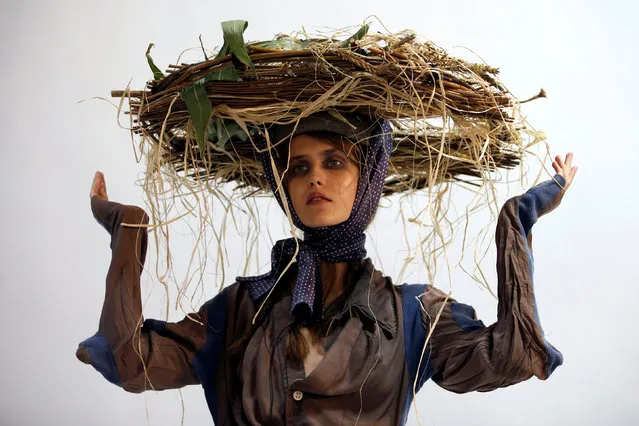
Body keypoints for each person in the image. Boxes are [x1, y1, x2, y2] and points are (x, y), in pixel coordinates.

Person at [77, 115, 578, 425]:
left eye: (334, 161)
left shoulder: (413, 317)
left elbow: (513, 356)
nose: (315, 175)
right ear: (285, 187)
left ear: (367, 179)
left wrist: (517, 219)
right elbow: (130, 362)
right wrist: (129, 230)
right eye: (298, 167)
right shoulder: (240, 312)